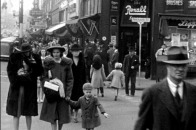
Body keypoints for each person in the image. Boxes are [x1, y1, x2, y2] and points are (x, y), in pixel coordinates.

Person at [134, 46, 196, 130]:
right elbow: (141, 126)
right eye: (176, 65)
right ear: (168, 66)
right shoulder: (152, 93)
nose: (180, 69)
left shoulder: (193, 92)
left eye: (183, 65)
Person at [6, 42, 43, 130]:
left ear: (30, 50)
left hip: (29, 87)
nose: (26, 53)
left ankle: (28, 129)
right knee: (16, 111)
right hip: (17, 87)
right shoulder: (14, 57)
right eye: (24, 52)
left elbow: (39, 71)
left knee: (28, 112)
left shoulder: (35, 57)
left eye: (28, 51)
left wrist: (31, 66)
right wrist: (16, 81)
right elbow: (10, 71)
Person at [40, 44, 74, 130]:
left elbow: (70, 79)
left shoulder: (66, 64)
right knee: (52, 115)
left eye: (57, 52)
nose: (56, 54)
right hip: (52, 92)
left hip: (63, 93)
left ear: (61, 53)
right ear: (51, 53)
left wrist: (68, 93)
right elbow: (43, 77)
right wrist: (48, 85)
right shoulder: (48, 64)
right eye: (54, 52)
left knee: (61, 115)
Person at [67, 43, 86, 123]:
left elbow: (84, 73)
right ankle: (70, 110)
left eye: (77, 51)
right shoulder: (68, 60)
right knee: (71, 97)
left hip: (79, 82)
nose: (76, 52)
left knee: (78, 98)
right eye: (74, 51)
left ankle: (75, 115)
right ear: (71, 52)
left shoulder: (82, 60)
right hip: (71, 82)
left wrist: (85, 84)